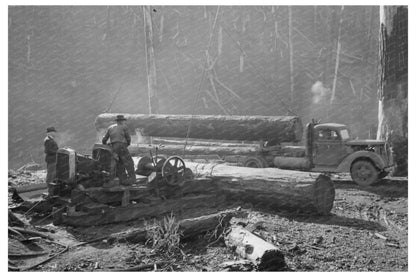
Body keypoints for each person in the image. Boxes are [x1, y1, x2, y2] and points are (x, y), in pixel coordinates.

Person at [102, 115, 136, 185]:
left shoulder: (110, 127)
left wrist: (107, 144)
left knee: (120, 163)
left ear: (117, 121)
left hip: (114, 147)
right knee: (129, 162)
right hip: (121, 145)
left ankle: (122, 180)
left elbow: (104, 139)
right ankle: (132, 179)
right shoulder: (124, 127)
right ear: (122, 121)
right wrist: (127, 144)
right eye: (123, 121)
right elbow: (128, 138)